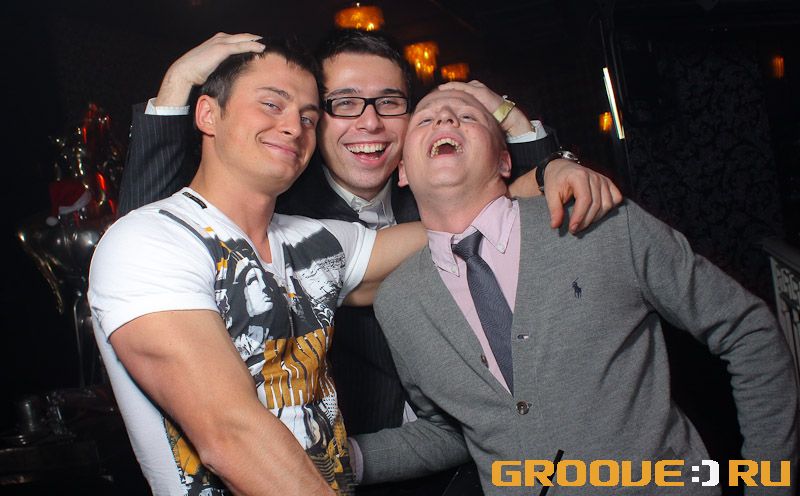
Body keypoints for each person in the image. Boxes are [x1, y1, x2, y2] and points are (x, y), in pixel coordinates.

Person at [117, 30, 623, 494]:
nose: (370, 121)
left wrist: (544, 159)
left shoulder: (335, 235)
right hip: (360, 468)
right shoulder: (275, 212)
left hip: (492, 461)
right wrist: (177, 87)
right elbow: (162, 229)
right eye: (344, 103)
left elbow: (498, 209)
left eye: (389, 102)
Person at [352, 88, 799, 496]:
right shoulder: (398, 302)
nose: (445, 119)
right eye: (425, 119)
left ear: (505, 161)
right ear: (403, 171)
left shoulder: (602, 224)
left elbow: (749, 332)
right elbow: (452, 430)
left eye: (467, 116)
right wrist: (342, 457)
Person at [89, 40, 431, 495]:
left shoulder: (313, 241)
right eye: (271, 104)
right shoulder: (148, 240)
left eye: (308, 117)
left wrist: (525, 165)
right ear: (208, 115)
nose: (293, 127)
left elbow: (452, 231)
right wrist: (176, 83)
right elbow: (232, 436)